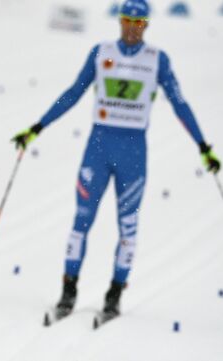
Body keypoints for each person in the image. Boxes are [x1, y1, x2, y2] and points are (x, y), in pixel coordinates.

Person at [12, 0, 221, 320]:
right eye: (127, 21)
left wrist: (203, 146)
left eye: (138, 23)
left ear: (147, 25)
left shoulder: (158, 60)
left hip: (133, 156)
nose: (132, 28)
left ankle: (114, 294)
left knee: (128, 228)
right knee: (81, 222)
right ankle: (68, 291)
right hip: (97, 150)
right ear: (120, 22)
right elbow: (73, 93)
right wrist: (37, 127)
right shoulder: (101, 52)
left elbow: (180, 104)